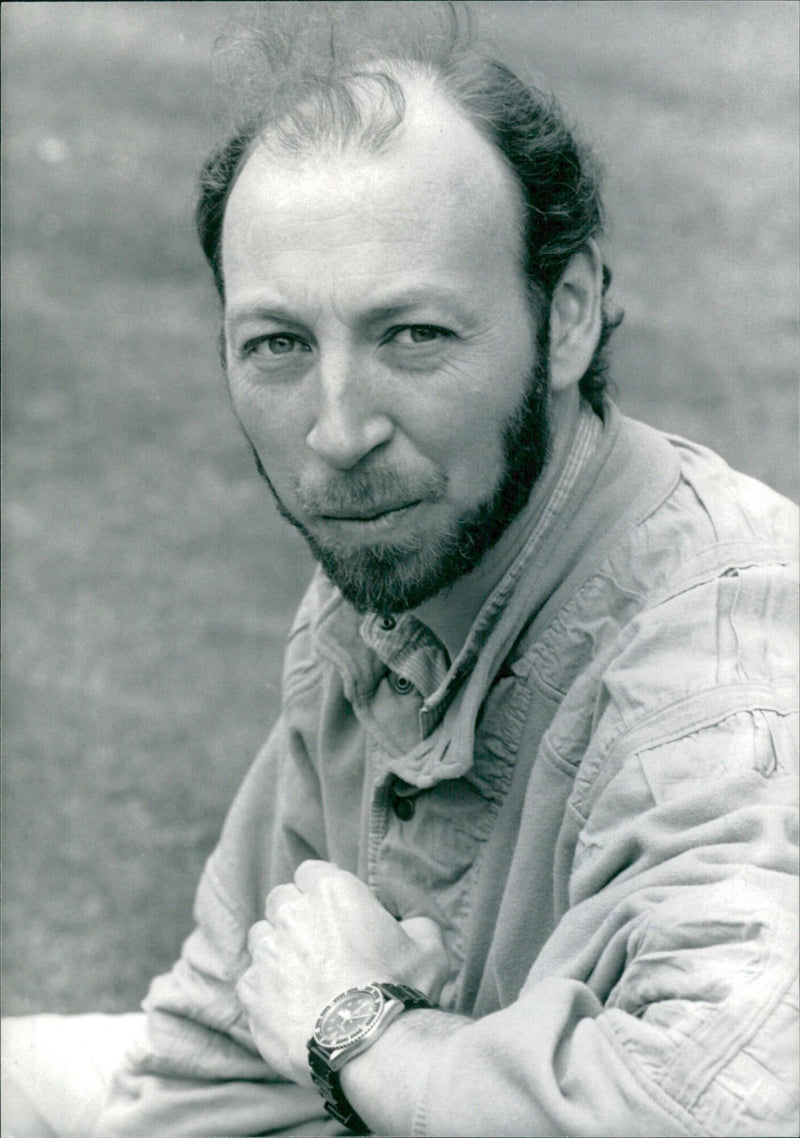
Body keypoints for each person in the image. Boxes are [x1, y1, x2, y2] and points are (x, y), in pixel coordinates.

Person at [3, 4, 798, 1136]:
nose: (337, 431)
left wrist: (360, 1024)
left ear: (563, 318)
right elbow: (216, 1057)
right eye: (278, 344)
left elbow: (728, 1115)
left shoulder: (722, 683)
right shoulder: (397, 566)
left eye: (411, 335)